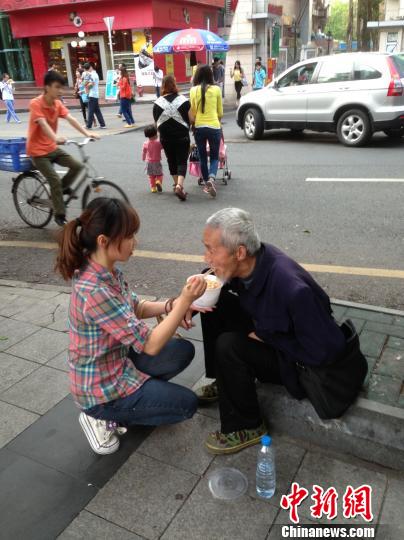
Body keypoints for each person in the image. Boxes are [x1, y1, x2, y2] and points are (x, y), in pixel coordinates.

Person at [197, 208, 367, 454]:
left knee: (228, 346)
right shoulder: (255, 261)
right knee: (216, 299)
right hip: (271, 332)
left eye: (211, 249)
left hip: (297, 364)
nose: (206, 257)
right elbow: (213, 281)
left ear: (240, 252)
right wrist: (186, 306)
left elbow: (327, 351)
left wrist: (269, 336)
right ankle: (223, 381)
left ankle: (247, 425)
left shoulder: (292, 290)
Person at [54, 197, 208, 455]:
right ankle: (102, 418)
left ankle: (143, 397)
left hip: (118, 363)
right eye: (129, 236)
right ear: (104, 241)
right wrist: (186, 301)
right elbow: (150, 345)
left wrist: (173, 305)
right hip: (100, 392)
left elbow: (136, 307)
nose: (134, 242)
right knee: (187, 405)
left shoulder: (104, 269)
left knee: (183, 350)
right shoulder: (95, 290)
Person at [26, 70, 98, 227]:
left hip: (51, 148)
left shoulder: (57, 104)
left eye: (61, 87)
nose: (60, 91)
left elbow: (70, 118)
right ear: (47, 87)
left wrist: (87, 132)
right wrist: (55, 138)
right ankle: (60, 215)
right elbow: (43, 124)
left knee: (77, 166)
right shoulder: (35, 103)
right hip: (38, 152)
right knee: (55, 181)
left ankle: (59, 190)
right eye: (57, 87)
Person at [153, 75, 190, 202]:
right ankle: (180, 185)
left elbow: (156, 121)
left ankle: (176, 185)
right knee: (181, 160)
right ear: (174, 84)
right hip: (182, 136)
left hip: (165, 137)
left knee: (171, 160)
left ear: (163, 86)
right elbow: (191, 118)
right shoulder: (184, 100)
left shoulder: (157, 103)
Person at [189, 65, 223, 198]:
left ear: (197, 75)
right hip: (214, 126)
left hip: (199, 127)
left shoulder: (193, 90)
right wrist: (217, 123)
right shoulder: (216, 90)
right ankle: (211, 179)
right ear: (210, 75)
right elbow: (220, 112)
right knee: (214, 157)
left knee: (203, 157)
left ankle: (205, 183)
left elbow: (193, 112)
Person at [83, 62, 106, 130]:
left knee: (90, 110)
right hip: (94, 94)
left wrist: (86, 86)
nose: (86, 70)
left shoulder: (92, 75)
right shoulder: (93, 74)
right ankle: (102, 124)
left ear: (90, 67)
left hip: (92, 94)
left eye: (87, 69)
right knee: (97, 110)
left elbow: (91, 84)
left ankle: (89, 125)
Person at [142, 124, 163, 193]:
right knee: (159, 175)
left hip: (149, 162)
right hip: (157, 162)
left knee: (151, 176)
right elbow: (164, 148)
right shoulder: (159, 143)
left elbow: (144, 152)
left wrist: (143, 158)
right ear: (155, 135)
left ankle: (153, 188)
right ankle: (158, 181)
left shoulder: (145, 143)